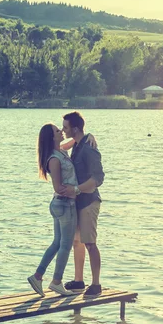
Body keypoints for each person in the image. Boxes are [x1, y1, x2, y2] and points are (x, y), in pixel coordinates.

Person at [27, 123, 79, 297]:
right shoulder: (55, 158)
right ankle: (56, 282)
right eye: (58, 131)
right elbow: (58, 187)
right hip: (65, 204)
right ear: (52, 137)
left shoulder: (60, 150)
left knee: (57, 243)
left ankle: (37, 276)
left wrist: (88, 137)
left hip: (59, 205)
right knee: (65, 245)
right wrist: (75, 190)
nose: (62, 131)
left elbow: (74, 141)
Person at [59, 111, 105, 298]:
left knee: (90, 243)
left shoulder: (89, 149)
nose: (63, 130)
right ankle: (78, 281)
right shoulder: (79, 144)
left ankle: (96, 284)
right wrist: (86, 136)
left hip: (88, 202)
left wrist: (77, 190)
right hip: (77, 202)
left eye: (65, 127)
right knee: (76, 242)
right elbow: (61, 148)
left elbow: (98, 178)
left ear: (75, 128)